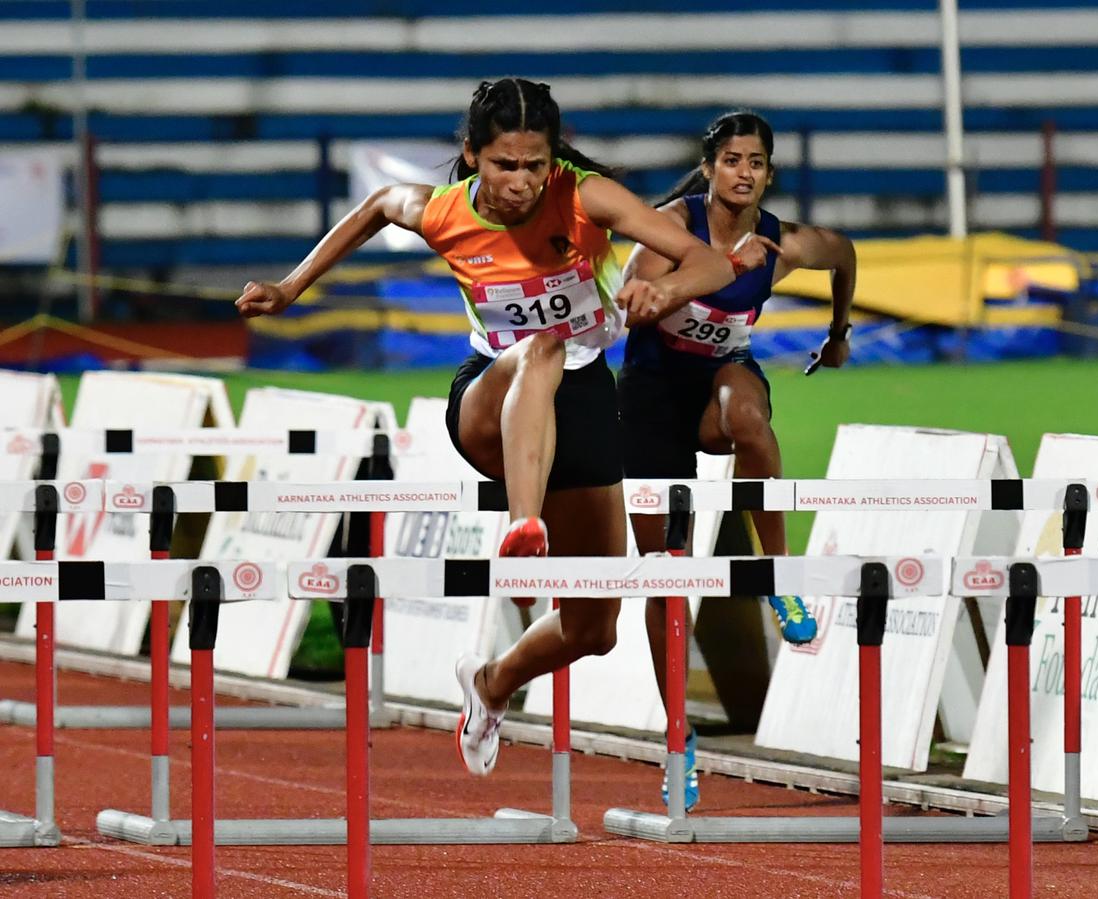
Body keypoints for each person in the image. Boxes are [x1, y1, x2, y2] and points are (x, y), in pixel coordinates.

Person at [236, 78, 740, 777]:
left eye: (536, 165)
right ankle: (523, 526)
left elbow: (711, 260)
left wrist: (667, 288)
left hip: (584, 400)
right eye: (506, 165)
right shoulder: (443, 211)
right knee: (542, 348)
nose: (522, 182)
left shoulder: (585, 194)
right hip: (487, 397)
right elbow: (375, 208)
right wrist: (291, 287)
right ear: (472, 154)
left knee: (594, 628)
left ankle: (491, 681)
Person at [618, 110, 857, 809]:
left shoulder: (782, 242)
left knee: (751, 418)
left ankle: (777, 576)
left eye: (756, 160)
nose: (744, 171)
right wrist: (723, 268)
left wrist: (838, 333)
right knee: (668, 573)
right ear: (710, 167)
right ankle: (678, 737)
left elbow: (845, 254)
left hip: (722, 380)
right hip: (655, 390)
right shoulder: (669, 228)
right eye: (731, 159)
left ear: (769, 173)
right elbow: (632, 308)